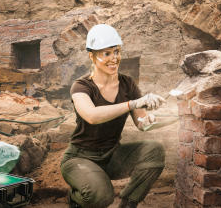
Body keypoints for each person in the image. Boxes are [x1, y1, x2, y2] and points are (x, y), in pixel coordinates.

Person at [61, 24, 166, 208]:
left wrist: (148, 120)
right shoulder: (81, 86)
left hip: (112, 156)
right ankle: (76, 197)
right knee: (101, 196)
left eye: (116, 52)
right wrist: (133, 103)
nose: (114, 58)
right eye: (106, 53)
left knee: (154, 151)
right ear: (91, 56)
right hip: (80, 159)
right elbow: (92, 116)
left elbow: (141, 122)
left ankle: (128, 202)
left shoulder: (127, 84)